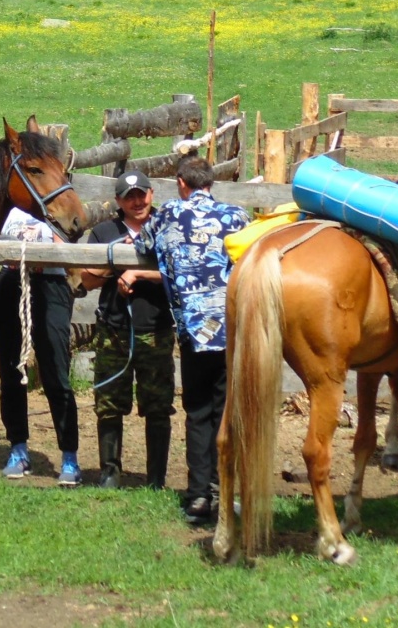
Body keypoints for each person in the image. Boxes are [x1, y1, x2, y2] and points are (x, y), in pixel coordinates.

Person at [135, 153, 248, 524]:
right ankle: (224, 490)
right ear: (210, 184)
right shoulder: (235, 217)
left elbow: (143, 248)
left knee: (198, 411)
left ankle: (199, 495)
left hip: (194, 333)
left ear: (181, 183)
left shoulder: (167, 214)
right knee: (226, 411)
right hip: (232, 331)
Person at [80, 169, 173, 489]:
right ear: (119, 201)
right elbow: (87, 279)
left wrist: (139, 274)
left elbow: (182, 270)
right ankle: (110, 471)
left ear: (152, 195)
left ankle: (157, 478)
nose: (137, 201)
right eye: (129, 196)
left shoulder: (168, 226)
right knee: (108, 401)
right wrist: (115, 262)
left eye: (141, 194)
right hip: (114, 328)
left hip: (157, 328)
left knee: (158, 404)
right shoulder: (105, 231)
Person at [0, 207, 82, 485]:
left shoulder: (61, 205)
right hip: (11, 280)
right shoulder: (9, 205)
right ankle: (18, 448)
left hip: (51, 282)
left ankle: (69, 455)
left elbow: (69, 244)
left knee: (56, 372)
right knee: (11, 372)